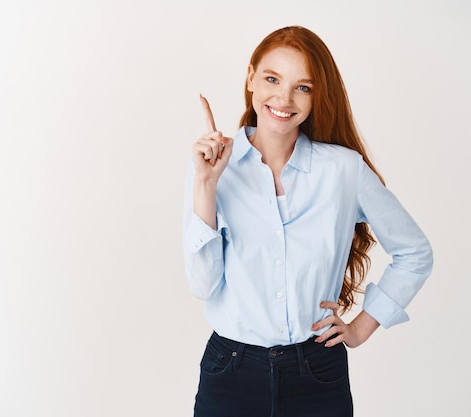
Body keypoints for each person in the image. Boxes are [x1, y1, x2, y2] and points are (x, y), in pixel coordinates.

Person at [183, 25, 433, 417]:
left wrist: (361, 327)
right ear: (251, 78)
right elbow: (203, 285)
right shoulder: (214, 168)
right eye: (271, 79)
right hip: (230, 371)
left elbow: (414, 252)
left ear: (317, 96)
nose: (283, 98)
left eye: (303, 87)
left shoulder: (343, 170)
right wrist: (205, 185)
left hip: (316, 374)